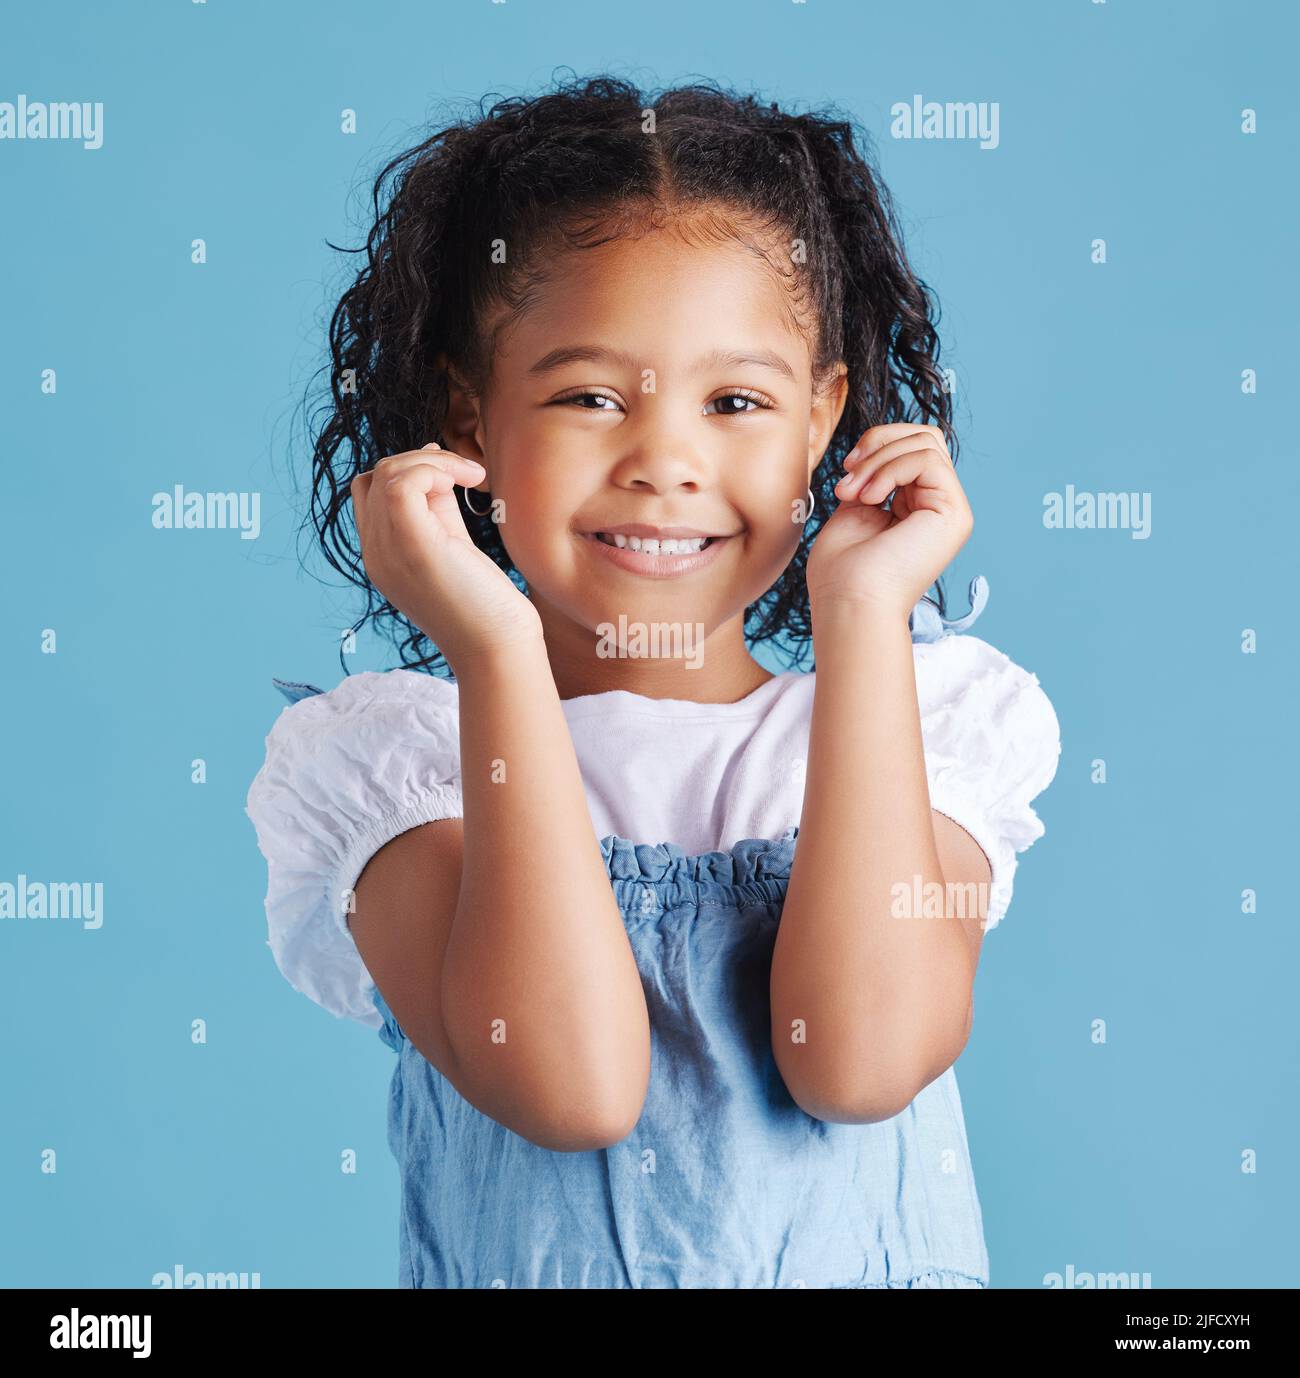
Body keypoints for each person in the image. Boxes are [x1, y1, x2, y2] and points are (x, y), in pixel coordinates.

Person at [246, 74, 1062, 1288]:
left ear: (821, 418)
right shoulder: (396, 782)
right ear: (469, 414)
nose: (664, 463)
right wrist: (497, 653)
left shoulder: (921, 738)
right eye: (587, 398)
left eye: (736, 401)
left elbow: (859, 1057)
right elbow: (569, 1085)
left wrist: (862, 621)